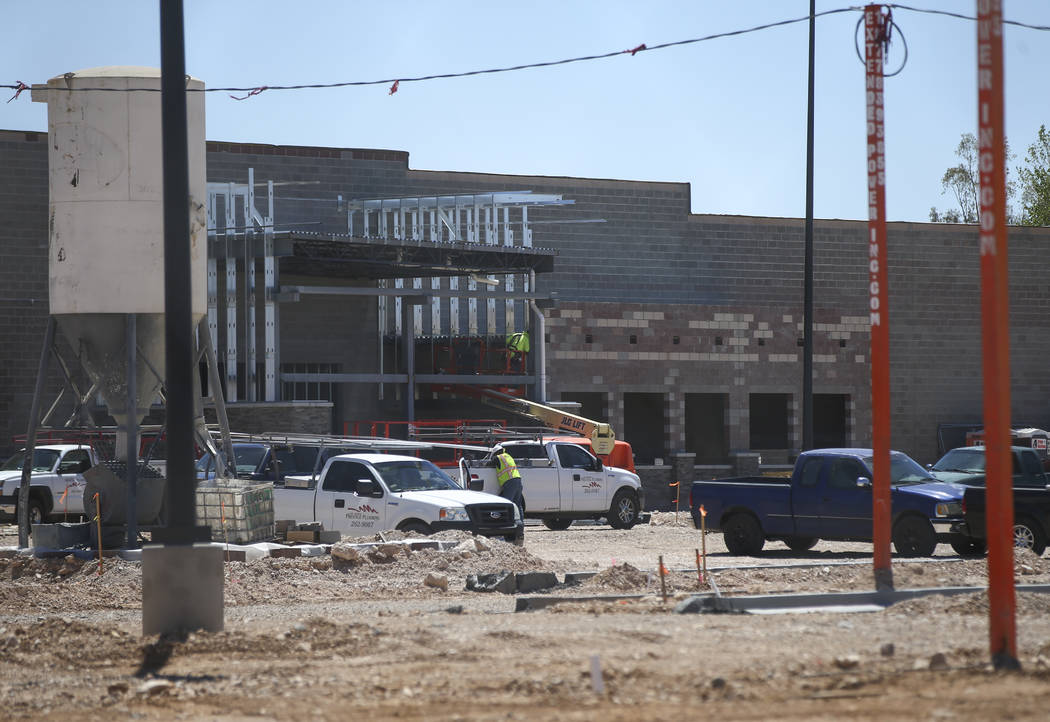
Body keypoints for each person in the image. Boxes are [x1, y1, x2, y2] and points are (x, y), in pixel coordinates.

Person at [495, 449, 524, 516]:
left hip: (510, 482)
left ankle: (507, 522)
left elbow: (489, 463)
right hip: (518, 480)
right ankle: (520, 523)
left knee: (507, 503)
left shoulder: (498, 457)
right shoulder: (508, 456)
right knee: (518, 505)